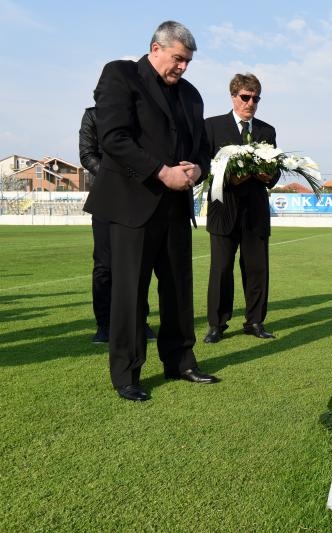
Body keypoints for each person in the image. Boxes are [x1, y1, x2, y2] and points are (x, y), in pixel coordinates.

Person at [83, 21, 219, 402]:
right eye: (178, 59)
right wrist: (162, 172)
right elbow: (113, 138)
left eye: (188, 61)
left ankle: (181, 362)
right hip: (131, 204)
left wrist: (196, 170)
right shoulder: (121, 74)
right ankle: (126, 373)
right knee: (130, 293)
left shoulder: (192, 95)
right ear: (155, 48)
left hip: (176, 207)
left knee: (178, 289)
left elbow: (202, 149)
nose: (183, 68)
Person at [203, 73, 280, 344]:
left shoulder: (266, 131)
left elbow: (276, 170)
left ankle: (255, 321)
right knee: (221, 269)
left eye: (256, 98)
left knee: (257, 270)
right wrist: (227, 177)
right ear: (234, 96)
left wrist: (267, 175)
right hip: (224, 208)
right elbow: (204, 167)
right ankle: (217, 324)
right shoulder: (211, 127)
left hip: (256, 212)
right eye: (246, 97)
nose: (251, 103)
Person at [79, 107, 155, 344]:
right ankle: (104, 324)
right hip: (106, 197)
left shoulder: (139, 115)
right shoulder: (92, 115)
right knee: (104, 265)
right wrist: (117, 177)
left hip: (137, 198)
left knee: (137, 263)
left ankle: (139, 320)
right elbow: (87, 155)